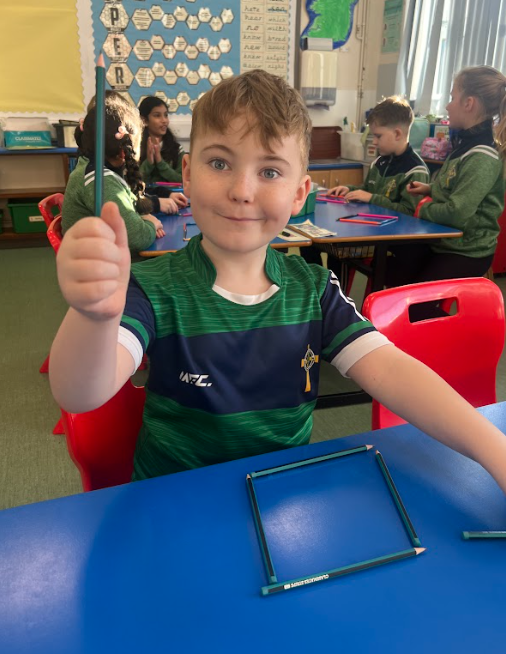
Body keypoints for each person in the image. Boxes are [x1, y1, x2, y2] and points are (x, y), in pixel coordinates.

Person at [49, 70, 506, 495]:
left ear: (299, 193)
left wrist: (494, 449)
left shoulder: (315, 290)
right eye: (219, 163)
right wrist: (92, 317)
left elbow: (396, 373)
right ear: (187, 173)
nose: (242, 191)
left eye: (269, 172)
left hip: (279, 500)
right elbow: (79, 392)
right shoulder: (151, 286)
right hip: (175, 500)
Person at [388, 65, 506, 287]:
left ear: (468, 103)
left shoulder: (482, 156)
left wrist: (420, 207)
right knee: (393, 268)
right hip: (443, 241)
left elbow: (457, 212)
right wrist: (430, 189)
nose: (447, 106)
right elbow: (458, 187)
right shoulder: (465, 145)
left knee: (414, 300)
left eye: (452, 98)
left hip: (466, 251)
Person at [301, 96, 430, 273]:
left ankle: (332, 286)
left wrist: (371, 198)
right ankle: (319, 284)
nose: (374, 142)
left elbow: (409, 213)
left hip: (390, 242)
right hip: (366, 230)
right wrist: (350, 189)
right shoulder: (379, 162)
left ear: (397, 134)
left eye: (378, 136)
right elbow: (367, 189)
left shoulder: (416, 170)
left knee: (337, 251)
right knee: (310, 244)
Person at [62, 91, 182, 253]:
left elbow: (127, 204)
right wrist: (150, 225)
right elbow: (136, 238)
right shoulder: (100, 180)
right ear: (123, 152)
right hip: (97, 262)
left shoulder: (95, 168)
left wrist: (142, 218)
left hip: (100, 253)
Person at [139, 96, 185, 184]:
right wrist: (149, 162)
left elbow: (182, 180)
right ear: (144, 120)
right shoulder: (136, 148)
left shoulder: (177, 149)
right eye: (157, 115)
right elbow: (133, 181)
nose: (164, 120)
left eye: (166, 115)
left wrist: (160, 162)